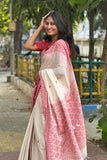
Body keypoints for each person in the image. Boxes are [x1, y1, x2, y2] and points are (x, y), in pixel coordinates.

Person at [18, 11, 87, 160]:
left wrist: (41, 74)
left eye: (52, 24)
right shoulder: (48, 45)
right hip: (44, 93)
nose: (49, 27)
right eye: (47, 24)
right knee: (40, 131)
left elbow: (61, 72)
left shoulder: (61, 45)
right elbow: (27, 45)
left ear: (59, 25)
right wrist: (40, 27)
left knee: (43, 132)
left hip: (51, 97)